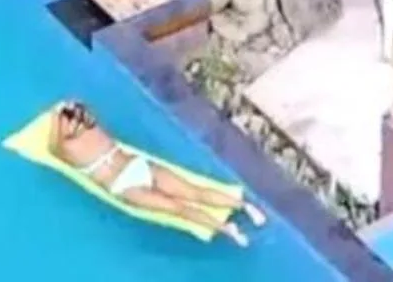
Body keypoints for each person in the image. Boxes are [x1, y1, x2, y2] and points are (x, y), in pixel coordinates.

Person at [46, 100, 267, 246]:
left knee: (192, 194)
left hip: (133, 171)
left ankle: (242, 206)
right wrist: (64, 110)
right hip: (127, 183)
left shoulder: (83, 135)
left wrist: (60, 113)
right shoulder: (77, 140)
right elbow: (60, 138)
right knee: (178, 207)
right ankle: (227, 228)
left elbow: (56, 141)